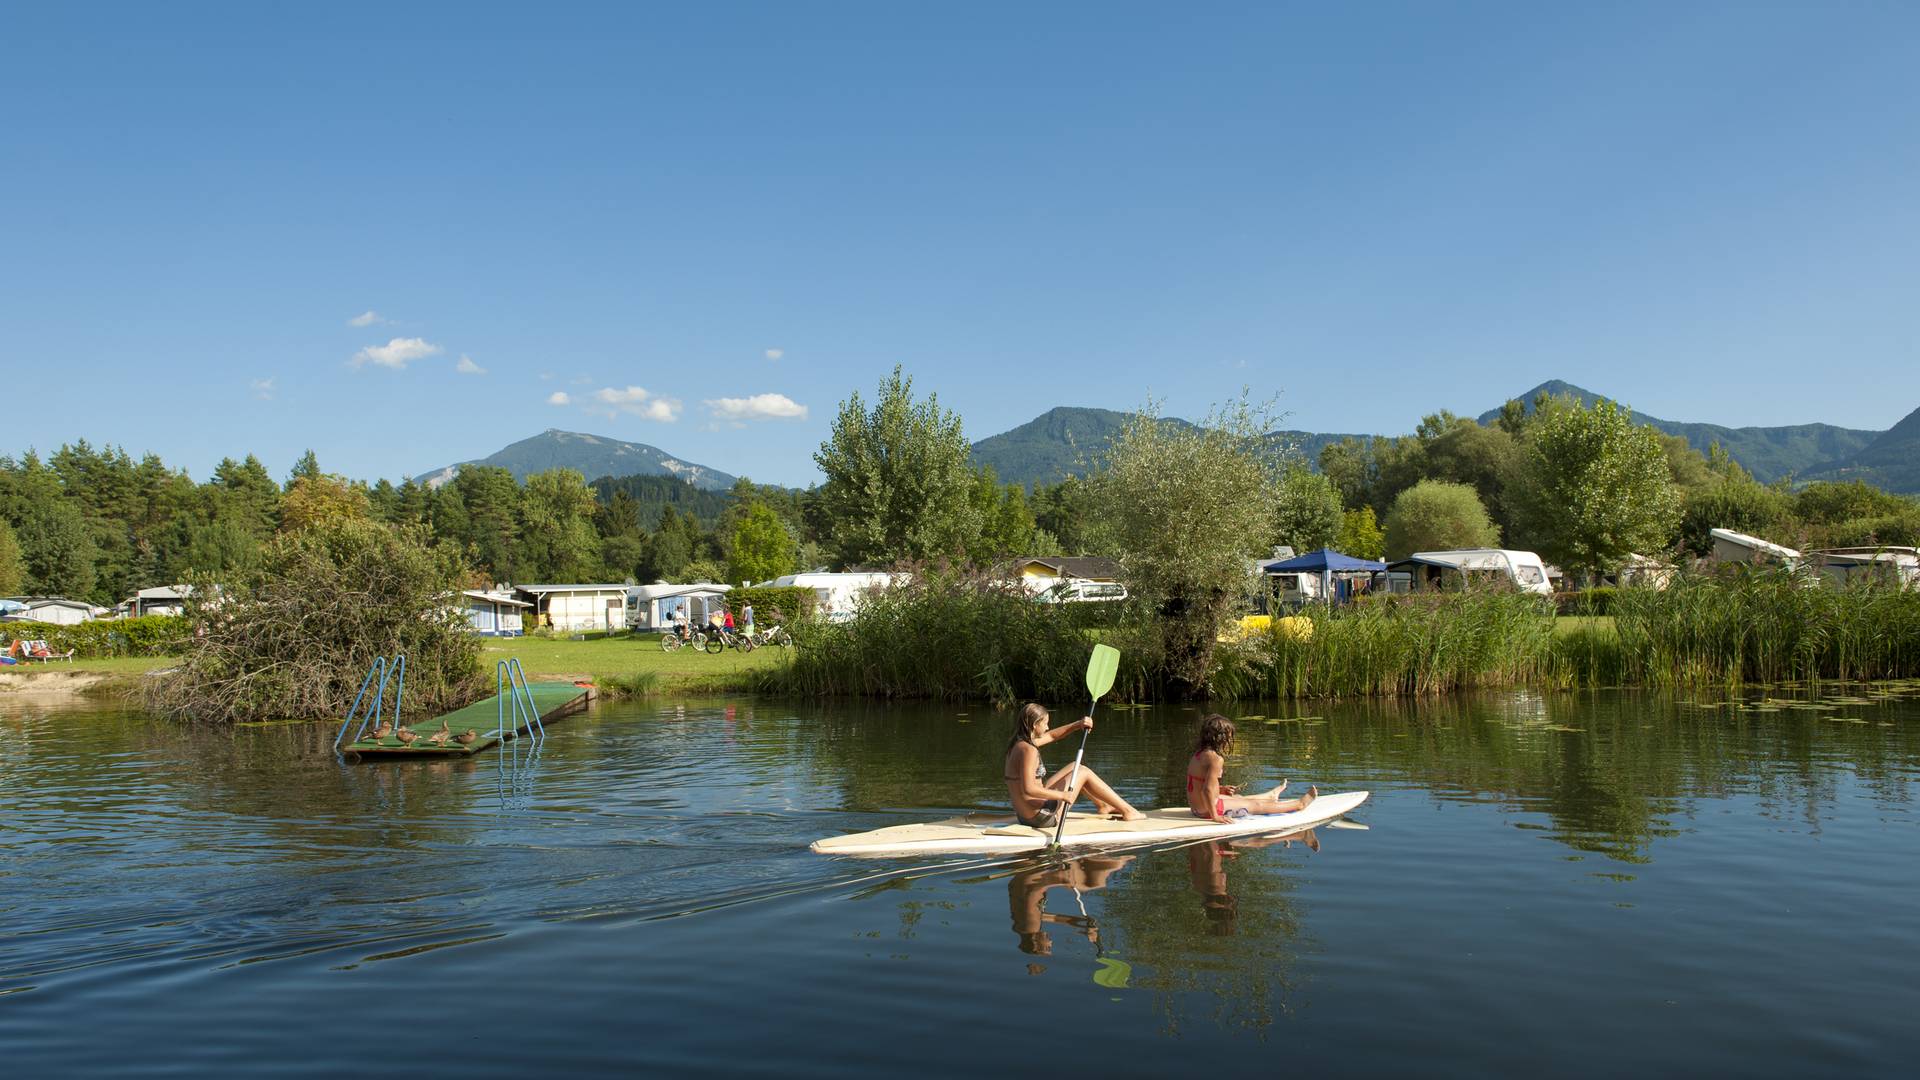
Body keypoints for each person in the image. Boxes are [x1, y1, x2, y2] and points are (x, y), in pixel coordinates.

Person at [1004, 702, 1144, 830]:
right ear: (1035, 724)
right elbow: (1029, 789)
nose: (1048, 727)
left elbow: (1052, 736)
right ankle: (1129, 811)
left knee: (1074, 766)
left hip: (1025, 816)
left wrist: (1078, 724)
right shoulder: (1029, 750)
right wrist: (1063, 795)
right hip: (1041, 818)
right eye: (1045, 723)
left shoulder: (1018, 744)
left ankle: (1103, 806)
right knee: (1083, 772)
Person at [1186, 713, 1315, 823]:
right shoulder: (1216, 759)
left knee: (1238, 798)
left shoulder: (1198, 754)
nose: (1230, 739)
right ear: (1220, 737)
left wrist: (1220, 789)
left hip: (1196, 808)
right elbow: (1207, 790)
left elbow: (1199, 786)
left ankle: (1270, 796)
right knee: (1255, 805)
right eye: (1229, 736)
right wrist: (1215, 816)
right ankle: (1299, 804)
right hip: (1207, 810)